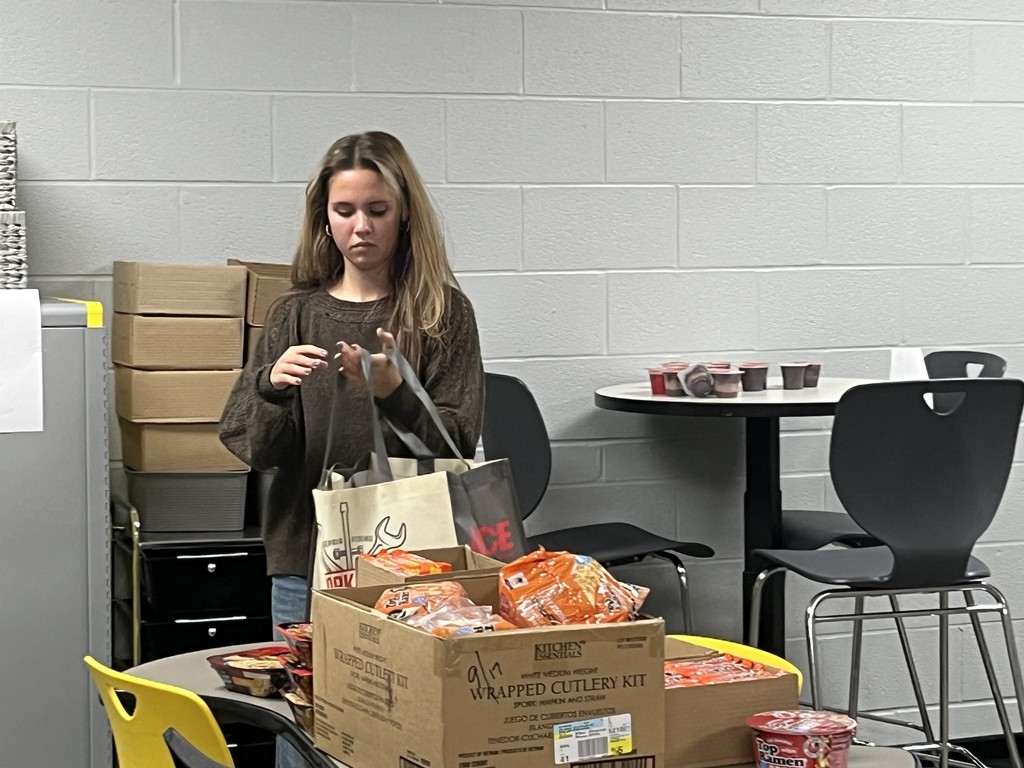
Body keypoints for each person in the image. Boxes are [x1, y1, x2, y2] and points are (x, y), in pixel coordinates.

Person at [219, 131, 483, 764]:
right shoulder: (294, 313)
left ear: (404, 214)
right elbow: (247, 442)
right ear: (324, 218)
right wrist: (271, 386)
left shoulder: (440, 312)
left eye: (377, 210)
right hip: (303, 553)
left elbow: (458, 439)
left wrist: (396, 391)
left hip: (411, 557)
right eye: (344, 211)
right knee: (304, 719)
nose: (360, 226)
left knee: (403, 718)